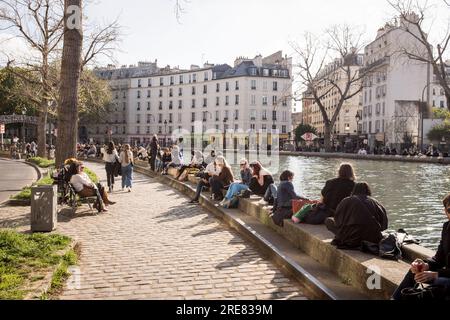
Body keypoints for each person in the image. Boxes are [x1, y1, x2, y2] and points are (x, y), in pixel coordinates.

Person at [392, 194, 450, 300]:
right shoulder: (447, 228)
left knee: (440, 283)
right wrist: (425, 265)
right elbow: (438, 258)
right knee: (415, 271)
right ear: (445, 212)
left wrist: (436, 274)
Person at [325, 182, 388, 249]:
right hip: (372, 239)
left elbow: (338, 221)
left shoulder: (346, 200)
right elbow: (384, 226)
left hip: (350, 239)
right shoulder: (376, 203)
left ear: (354, 190)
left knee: (328, 221)